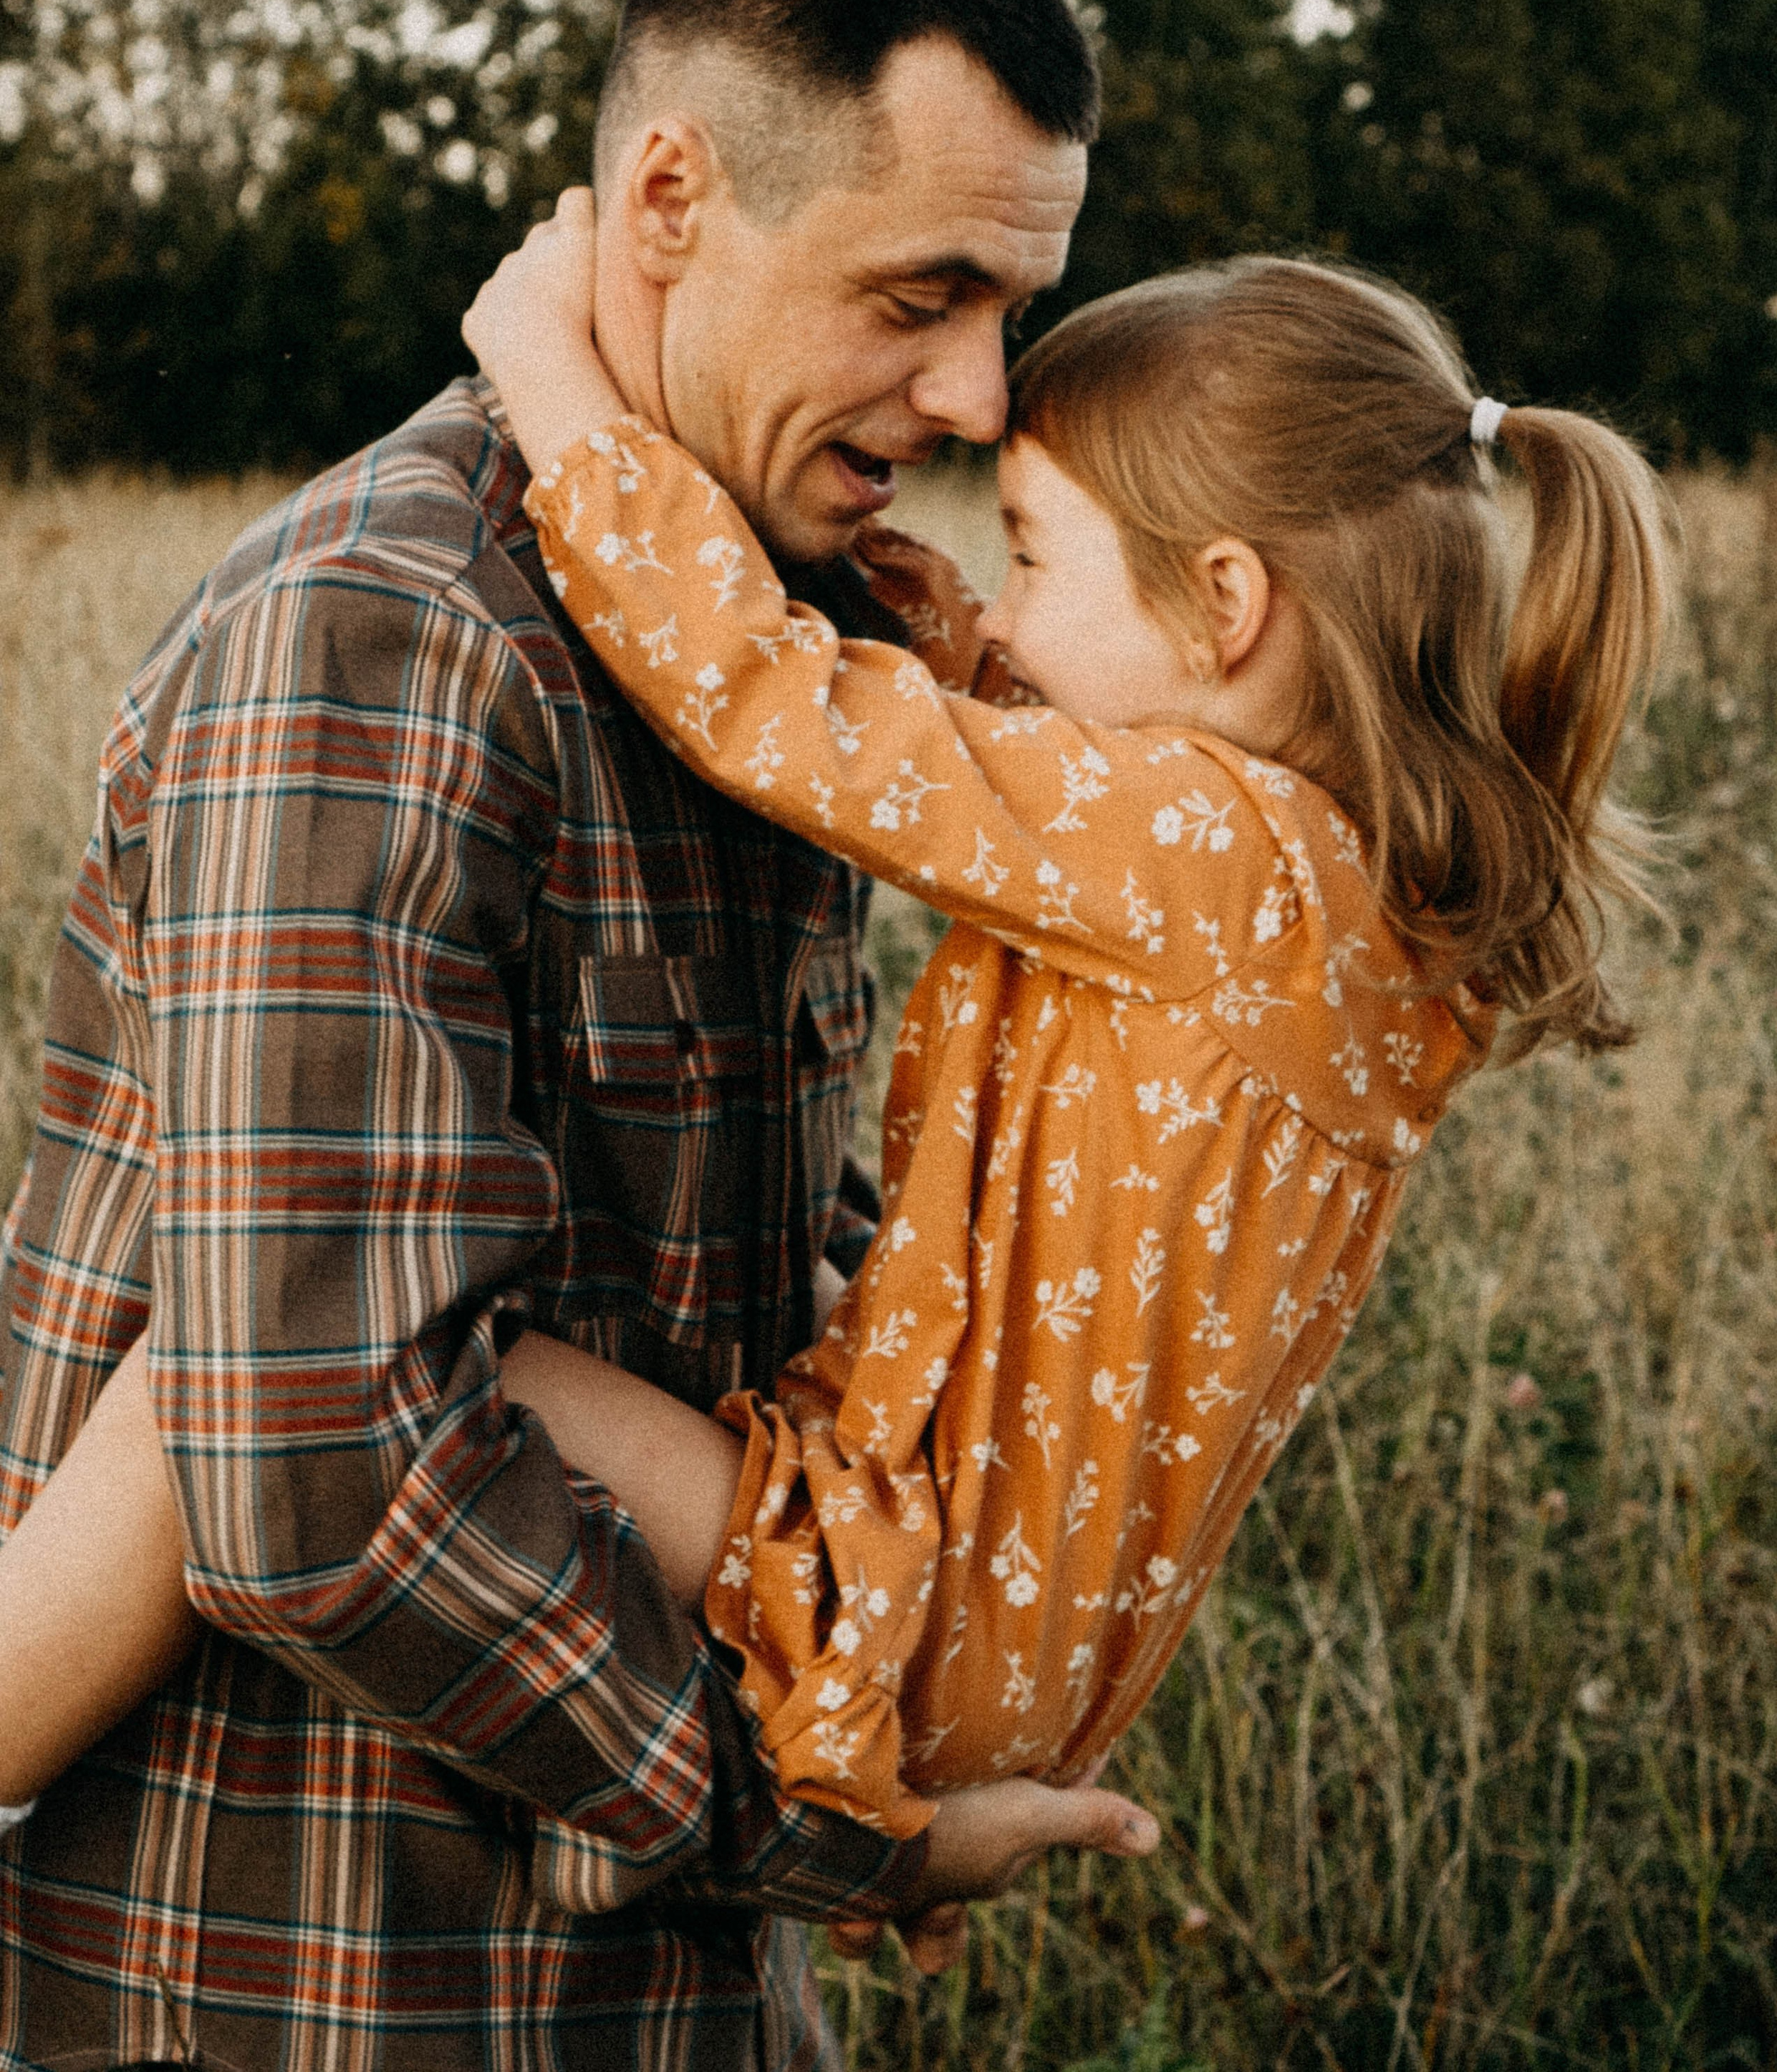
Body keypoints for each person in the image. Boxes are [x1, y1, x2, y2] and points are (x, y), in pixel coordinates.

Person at [1, 216, 1675, 1866]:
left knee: (268, 1343)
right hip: (1004, 1640)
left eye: (1030, 554)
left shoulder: (1199, 848)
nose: (999, 619)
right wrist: (901, 591)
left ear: (1225, 604)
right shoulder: (1336, 885)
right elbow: (998, 738)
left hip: (907, 1581)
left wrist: (540, 372)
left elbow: (772, 705)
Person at [0, 0, 1160, 2072]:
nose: (981, 398)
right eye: (917, 297)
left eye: (1009, 311)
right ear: (665, 208)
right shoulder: (397, 638)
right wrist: (832, 1822)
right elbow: (315, 1465)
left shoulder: (778, 653)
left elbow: (749, 1296)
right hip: (329, 1985)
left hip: (649, 1993)